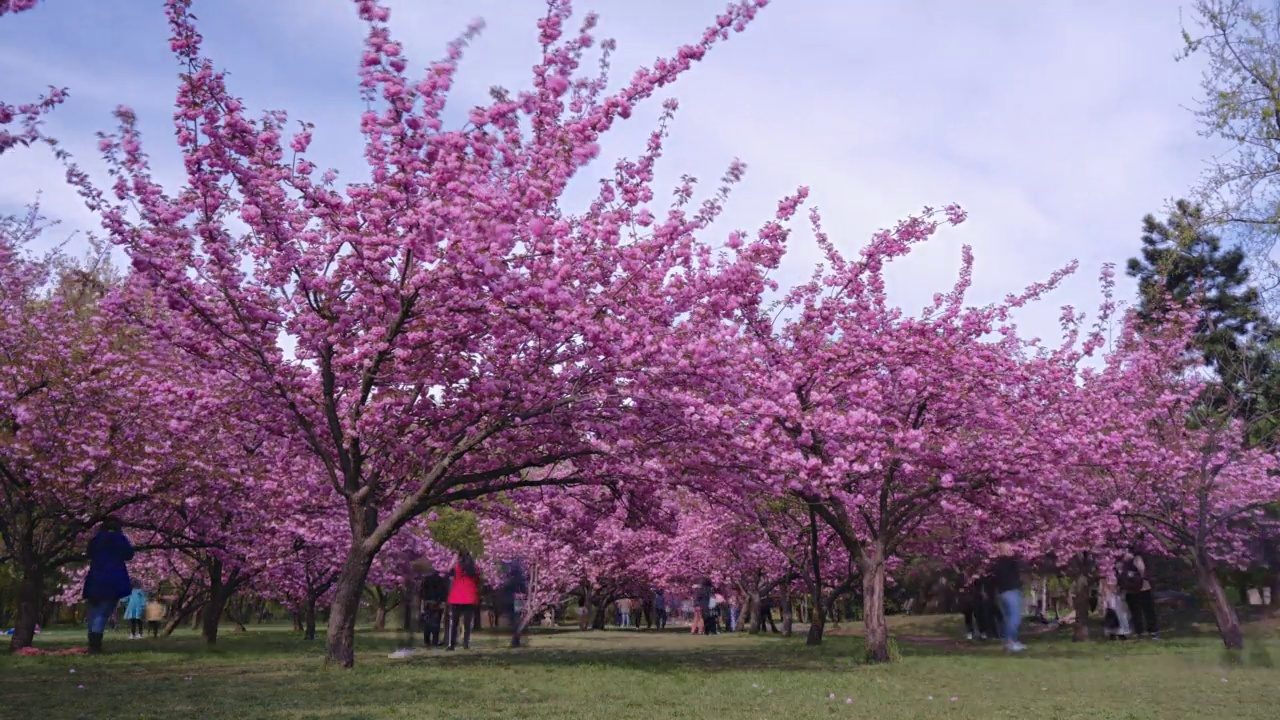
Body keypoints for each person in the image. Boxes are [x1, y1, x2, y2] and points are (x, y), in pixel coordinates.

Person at [82, 518, 135, 654]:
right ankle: (95, 645)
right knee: (103, 612)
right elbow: (129, 555)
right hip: (113, 579)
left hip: (95, 577)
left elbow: (89, 554)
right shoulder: (120, 539)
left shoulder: (96, 539)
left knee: (93, 611)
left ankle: (92, 642)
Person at [1118, 551, 1159, 639]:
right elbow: (1142, 570)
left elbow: (1119, 574)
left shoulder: (1120, 561)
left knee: (1136, 612)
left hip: (1130, 589)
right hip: (1143, 587)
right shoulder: (1136, 558)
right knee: (1148, 610)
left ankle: (1140, 631)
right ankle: (1153, 631)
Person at [991, 547, 1025, 652]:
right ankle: (1011, 642)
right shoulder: (1011, 562)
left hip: (1002, 593)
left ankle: (1009, 642)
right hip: (1011, 592)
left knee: (1008, 618)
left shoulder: (996, 564)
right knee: (1014, 618)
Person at [446, 551, 481, 651]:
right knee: (467, 622)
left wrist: (454, 558)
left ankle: (451, 644)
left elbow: (448, 570)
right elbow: (478, 580)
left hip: (457, 597)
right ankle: (465, 644)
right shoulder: (475, 569)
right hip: (469, 597)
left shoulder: (457, 568)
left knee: (454, 623)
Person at [498, 559, 527, 648]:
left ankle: (516, 640)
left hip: (510, 600)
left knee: (514, 621)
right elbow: (524, 589)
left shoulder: (508, 578)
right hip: (517, 599)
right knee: (516, 620)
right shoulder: (520, 577)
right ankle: (516, 639)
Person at [420, 569, 448, 647]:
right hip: (437, 604)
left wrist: (425, 600)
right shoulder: (441, 580)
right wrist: (440, 601)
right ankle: (435, 641)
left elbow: (422, 593)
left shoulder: (426, 580)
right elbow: (444, 593)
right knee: (436, 623)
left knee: (427, 622)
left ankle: (427, 640)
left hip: (428, 603)